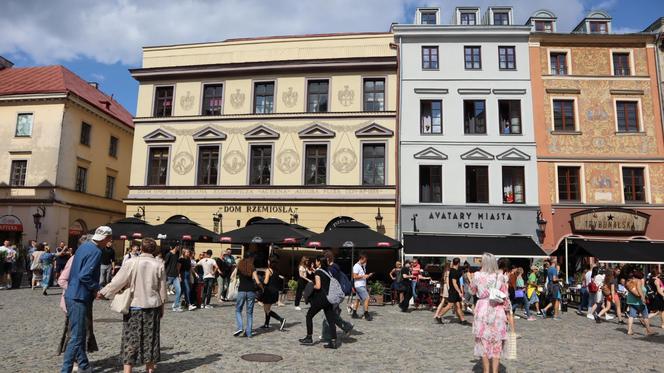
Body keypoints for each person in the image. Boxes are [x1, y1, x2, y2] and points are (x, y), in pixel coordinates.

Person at [98, 237, 167, 373]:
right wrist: (162, 306)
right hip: (152, 306)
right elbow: (162, 289)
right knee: (151, 339)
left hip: (134, 305)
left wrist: (103, 292)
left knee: (130, 339)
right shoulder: (159, 264)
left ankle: (127, 371)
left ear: (141, 248)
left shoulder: (131, 262)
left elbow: (118, 281)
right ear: (154, 250)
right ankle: (150, 369)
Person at [60, 226, 110, 373]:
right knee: (76, 337)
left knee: (78, 334)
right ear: (106, 239)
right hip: (79, 296)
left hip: (72, 293)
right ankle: (66, 370)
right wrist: (96, 289)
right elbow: (84, 275)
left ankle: (83, 365)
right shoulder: (96, 251)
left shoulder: (84, 246)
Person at [470, 253, 514, 373]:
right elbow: (506, 298)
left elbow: (472, 291)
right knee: (497, 344)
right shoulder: (500, 277)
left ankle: (486, 371)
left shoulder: (477, 275)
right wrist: (508, 313)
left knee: (483, 343)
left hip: (482, 310)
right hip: (497, 310)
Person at [57, 236, 98, 357]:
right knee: (75, 332)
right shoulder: (74, 259)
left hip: (84, 299)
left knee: (83, 331)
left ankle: (80, 361)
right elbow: (62, 280)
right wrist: (75, 291)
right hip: (75, 300)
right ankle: (76, 362)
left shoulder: (86, 258)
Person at [299, 256, 339, 349]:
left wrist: (310, 287)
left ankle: (309, 337)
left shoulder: (318, 272)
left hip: (320, 299)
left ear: (319, 262)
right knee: (330, 320)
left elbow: (318, 286)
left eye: (316, 261)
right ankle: (333, 342)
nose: (315, 262)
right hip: (329, 299)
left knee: (309, 316)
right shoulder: (328, 271)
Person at [321, 250, 353, 341]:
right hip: (335, 295)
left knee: (328, 316)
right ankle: (347, 327)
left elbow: (328, 283)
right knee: (332, 315)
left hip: (332, 296)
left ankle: (327, 336)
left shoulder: (331, 269)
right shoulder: (335, 268)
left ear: (327, 259)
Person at [234, 255, 262, 338]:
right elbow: (257, 280)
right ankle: (249, 333)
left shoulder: (239, 266)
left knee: (238, 310)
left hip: (241, 290)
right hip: (251, 291)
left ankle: (240, 327)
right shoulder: (252, 267)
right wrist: (262, 287)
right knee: (249, 313)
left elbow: (235, 276)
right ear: (250, 258)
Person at [435, 258, 468, 325]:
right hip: (453, 291)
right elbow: (454, 283)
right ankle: (438, 316)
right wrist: (459, 292)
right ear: (458, 263)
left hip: (455, 291)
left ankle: (463, 320)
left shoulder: (455, 270)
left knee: (458, 306)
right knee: (449, 305)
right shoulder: (453, 271)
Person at [258, 256, 286, 331]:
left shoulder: (268, 270)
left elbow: (266, 282)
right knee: (268, 309)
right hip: (274, 291)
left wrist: (262, 279)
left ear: (270, 262)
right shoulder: (276, 270)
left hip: (268, 291)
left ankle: (281, 319)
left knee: (266, 309)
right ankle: (266, 324)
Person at [626, 271, 656, 336]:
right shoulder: (638, 281)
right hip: (638, 302)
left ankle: (629, 330)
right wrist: (643, 298)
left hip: (631, 301)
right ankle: (649, 331)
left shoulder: (630, 281)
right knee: (645, 316)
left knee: (631, 316)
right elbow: (639, 290)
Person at [351, 253, 373, 321]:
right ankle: (366, 314)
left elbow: (361, 276)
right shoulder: (356, 266)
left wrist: (367, 276)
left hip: (361, 285)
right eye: (365, 260)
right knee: (367, 298)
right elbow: (354, 276)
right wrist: (364, 276)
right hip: (359, 285)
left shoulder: (362, 266)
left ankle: (354, 313)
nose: (365, 261)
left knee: (357, 299)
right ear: (361, 259)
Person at [163, 246, 183, 312]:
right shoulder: (168, 254)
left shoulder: (177, 254)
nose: (179, 248)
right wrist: (164, 274)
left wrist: (179, 274)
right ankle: (159, 305)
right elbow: (164, 264)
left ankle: (175, 306)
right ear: (175, 247)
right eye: (178, 246)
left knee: (179, 291)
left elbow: (177, 265)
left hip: (175, 276)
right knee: (162, 290)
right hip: (169, 275)